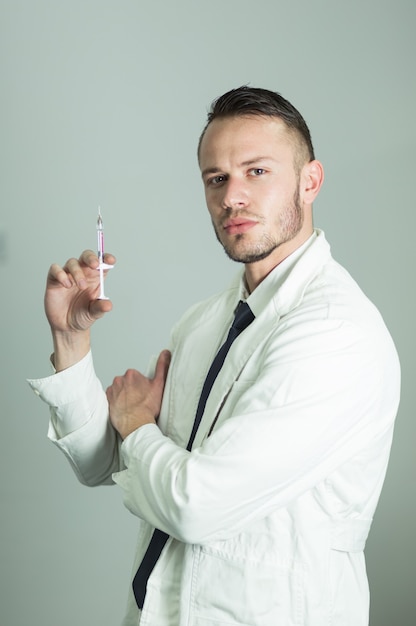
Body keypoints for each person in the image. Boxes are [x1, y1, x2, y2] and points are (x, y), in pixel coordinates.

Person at [28, 86, 401, 626]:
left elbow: (194, 505)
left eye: (257, 171)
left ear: (310, 180)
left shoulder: (334, 333)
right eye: (217, 179)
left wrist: (134, 423)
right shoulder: (205, 323)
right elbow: (102, 463)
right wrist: (71, 339)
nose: (232, 198)